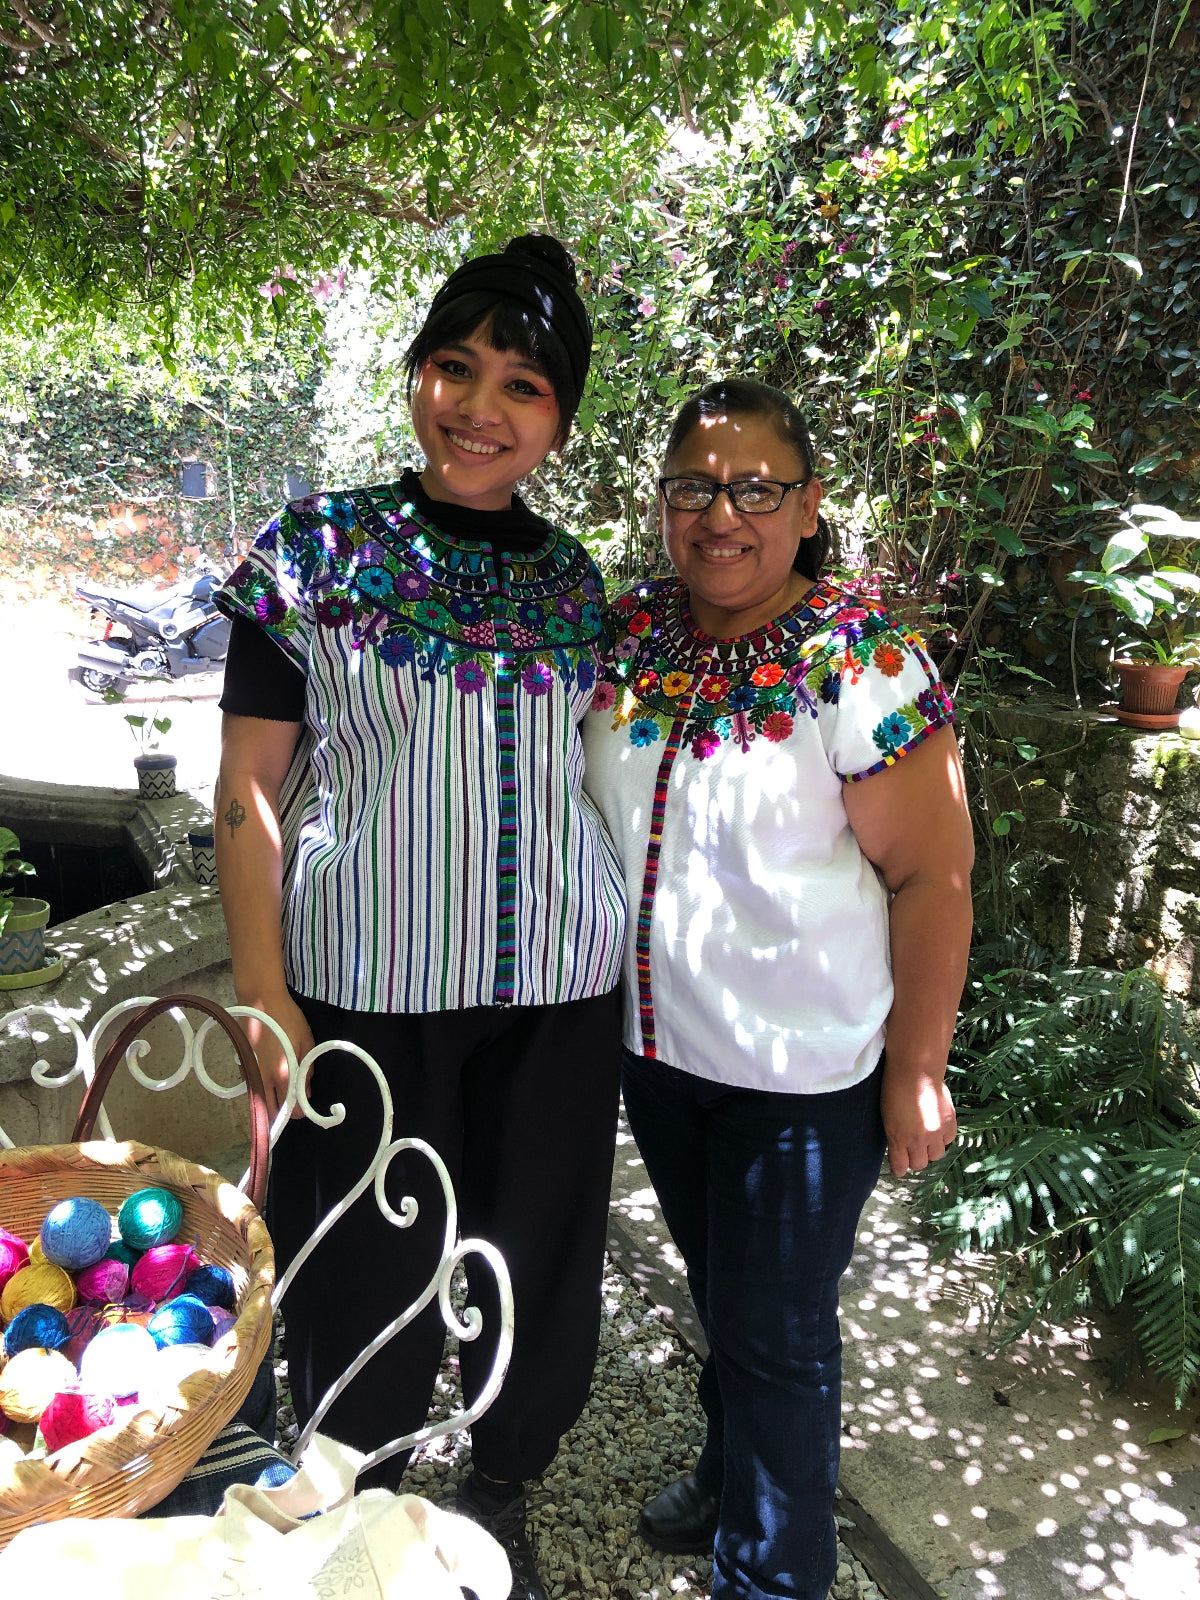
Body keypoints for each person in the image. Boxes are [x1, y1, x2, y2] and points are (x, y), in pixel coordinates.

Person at [212, 235, 626, 1600]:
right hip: (369, 992)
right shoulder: (315, 553)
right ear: (417, 374)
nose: (479, 407)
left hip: (558, 989)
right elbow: (247, 797)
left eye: (522, 384)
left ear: (559, 420)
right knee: (362, 1272)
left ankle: (501, 1484)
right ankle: (357, 1497)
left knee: (538, 1261)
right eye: (456, 367)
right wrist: (266, 990)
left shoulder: (576, 586)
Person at [581, 378, 974, 1600]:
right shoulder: (630, 635)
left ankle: (774, 1571)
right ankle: (727, 1460)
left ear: (806, 509)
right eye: (694, 486)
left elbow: (935, 878)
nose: (722, 514)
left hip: (801, 1082)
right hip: (662, 1057)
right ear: (662, 504)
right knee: (724, 1294)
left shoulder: (858, 660)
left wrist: (916, 1067)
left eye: (757, 487)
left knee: (779, 1336)